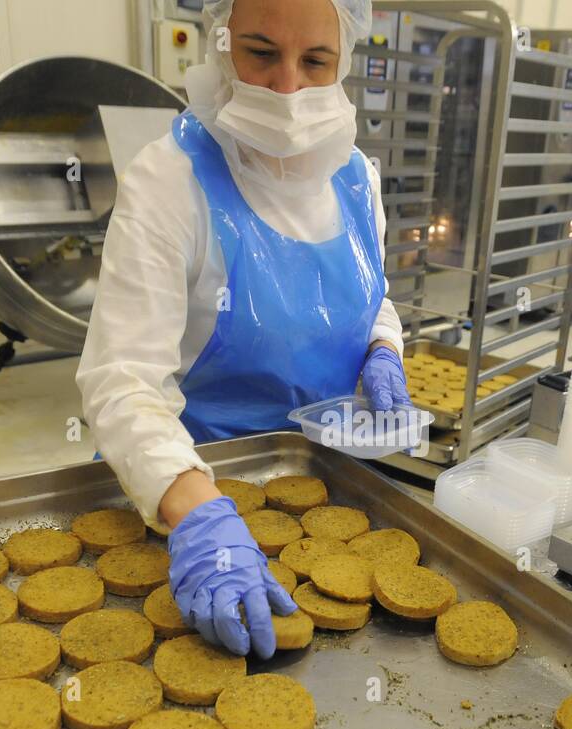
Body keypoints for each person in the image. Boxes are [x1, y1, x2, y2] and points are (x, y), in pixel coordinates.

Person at [77, 0, 408, 660]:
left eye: (315, 60)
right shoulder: (170, 182)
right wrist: (197, 513)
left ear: (345, 56)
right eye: (260, 53)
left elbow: (371, 295)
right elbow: (123, 379)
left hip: (322, 506)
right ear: (220, 42)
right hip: (179, 510)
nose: (288, 88)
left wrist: (383, 347)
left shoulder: (356, 178)